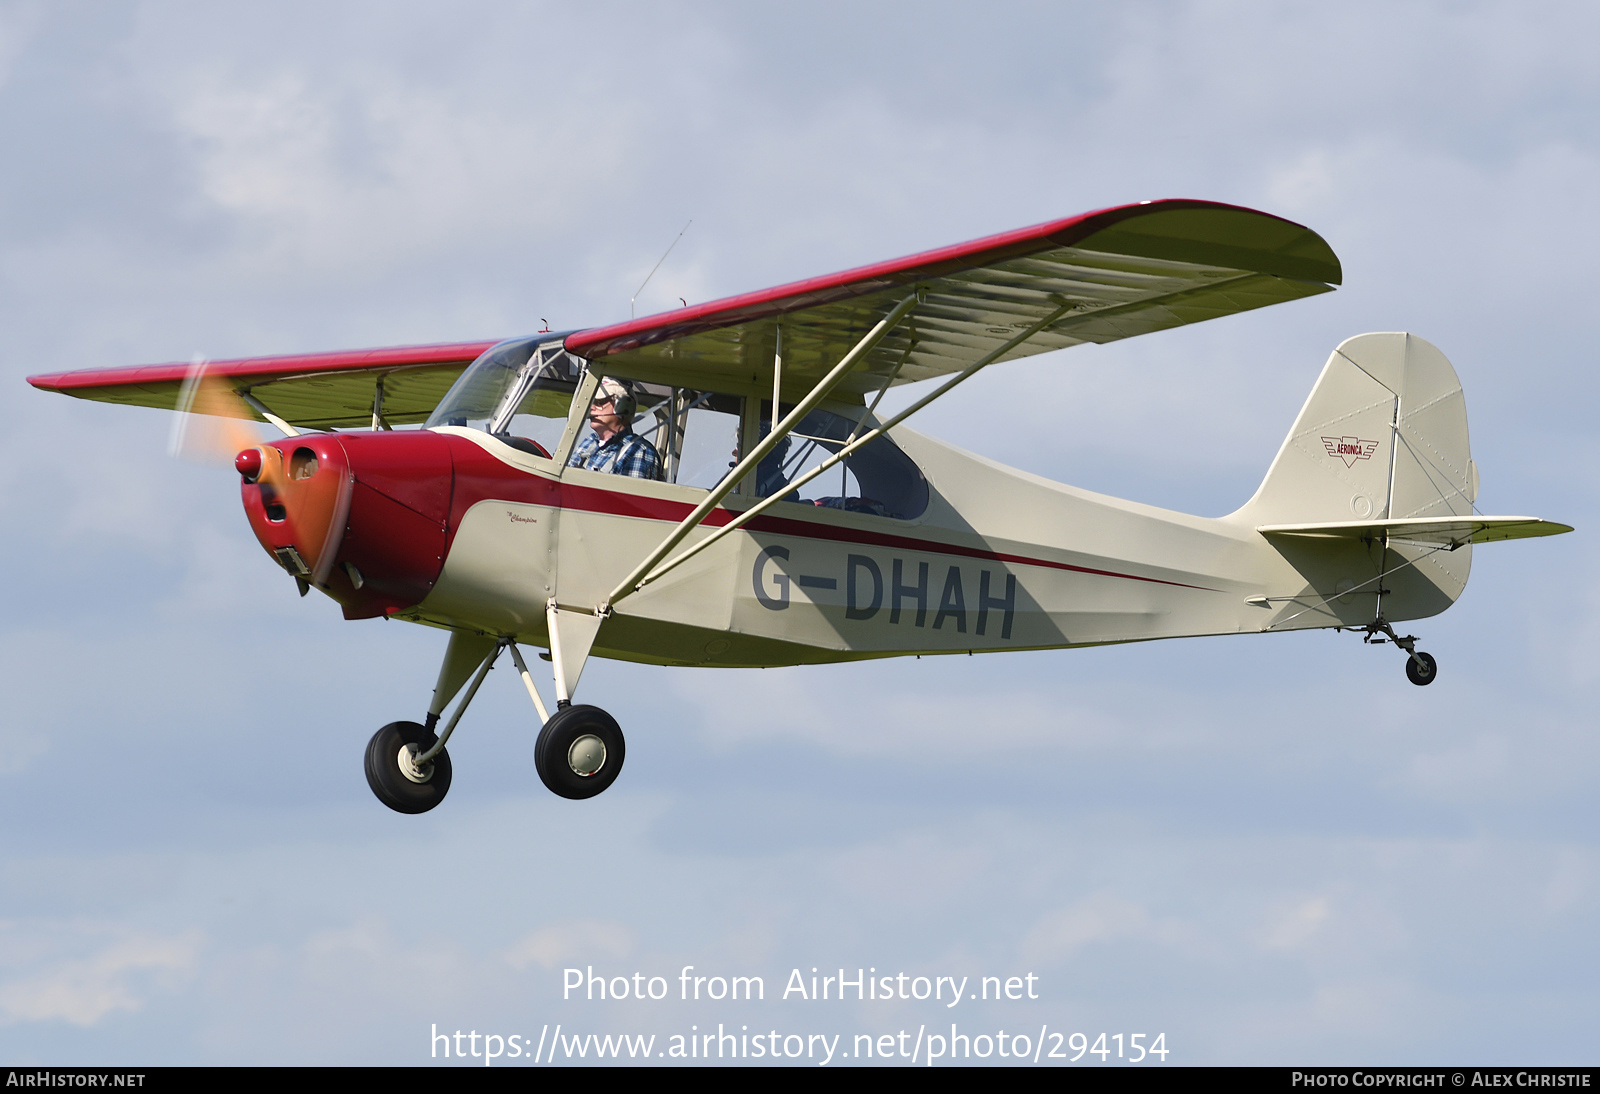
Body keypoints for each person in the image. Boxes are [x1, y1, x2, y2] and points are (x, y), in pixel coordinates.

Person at [567, 377, 663, 479]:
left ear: (624, 406)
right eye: (591, 402)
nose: (591, 408)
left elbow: (625, 495)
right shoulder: (589, 442)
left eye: (599, 403)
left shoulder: (638, 451)